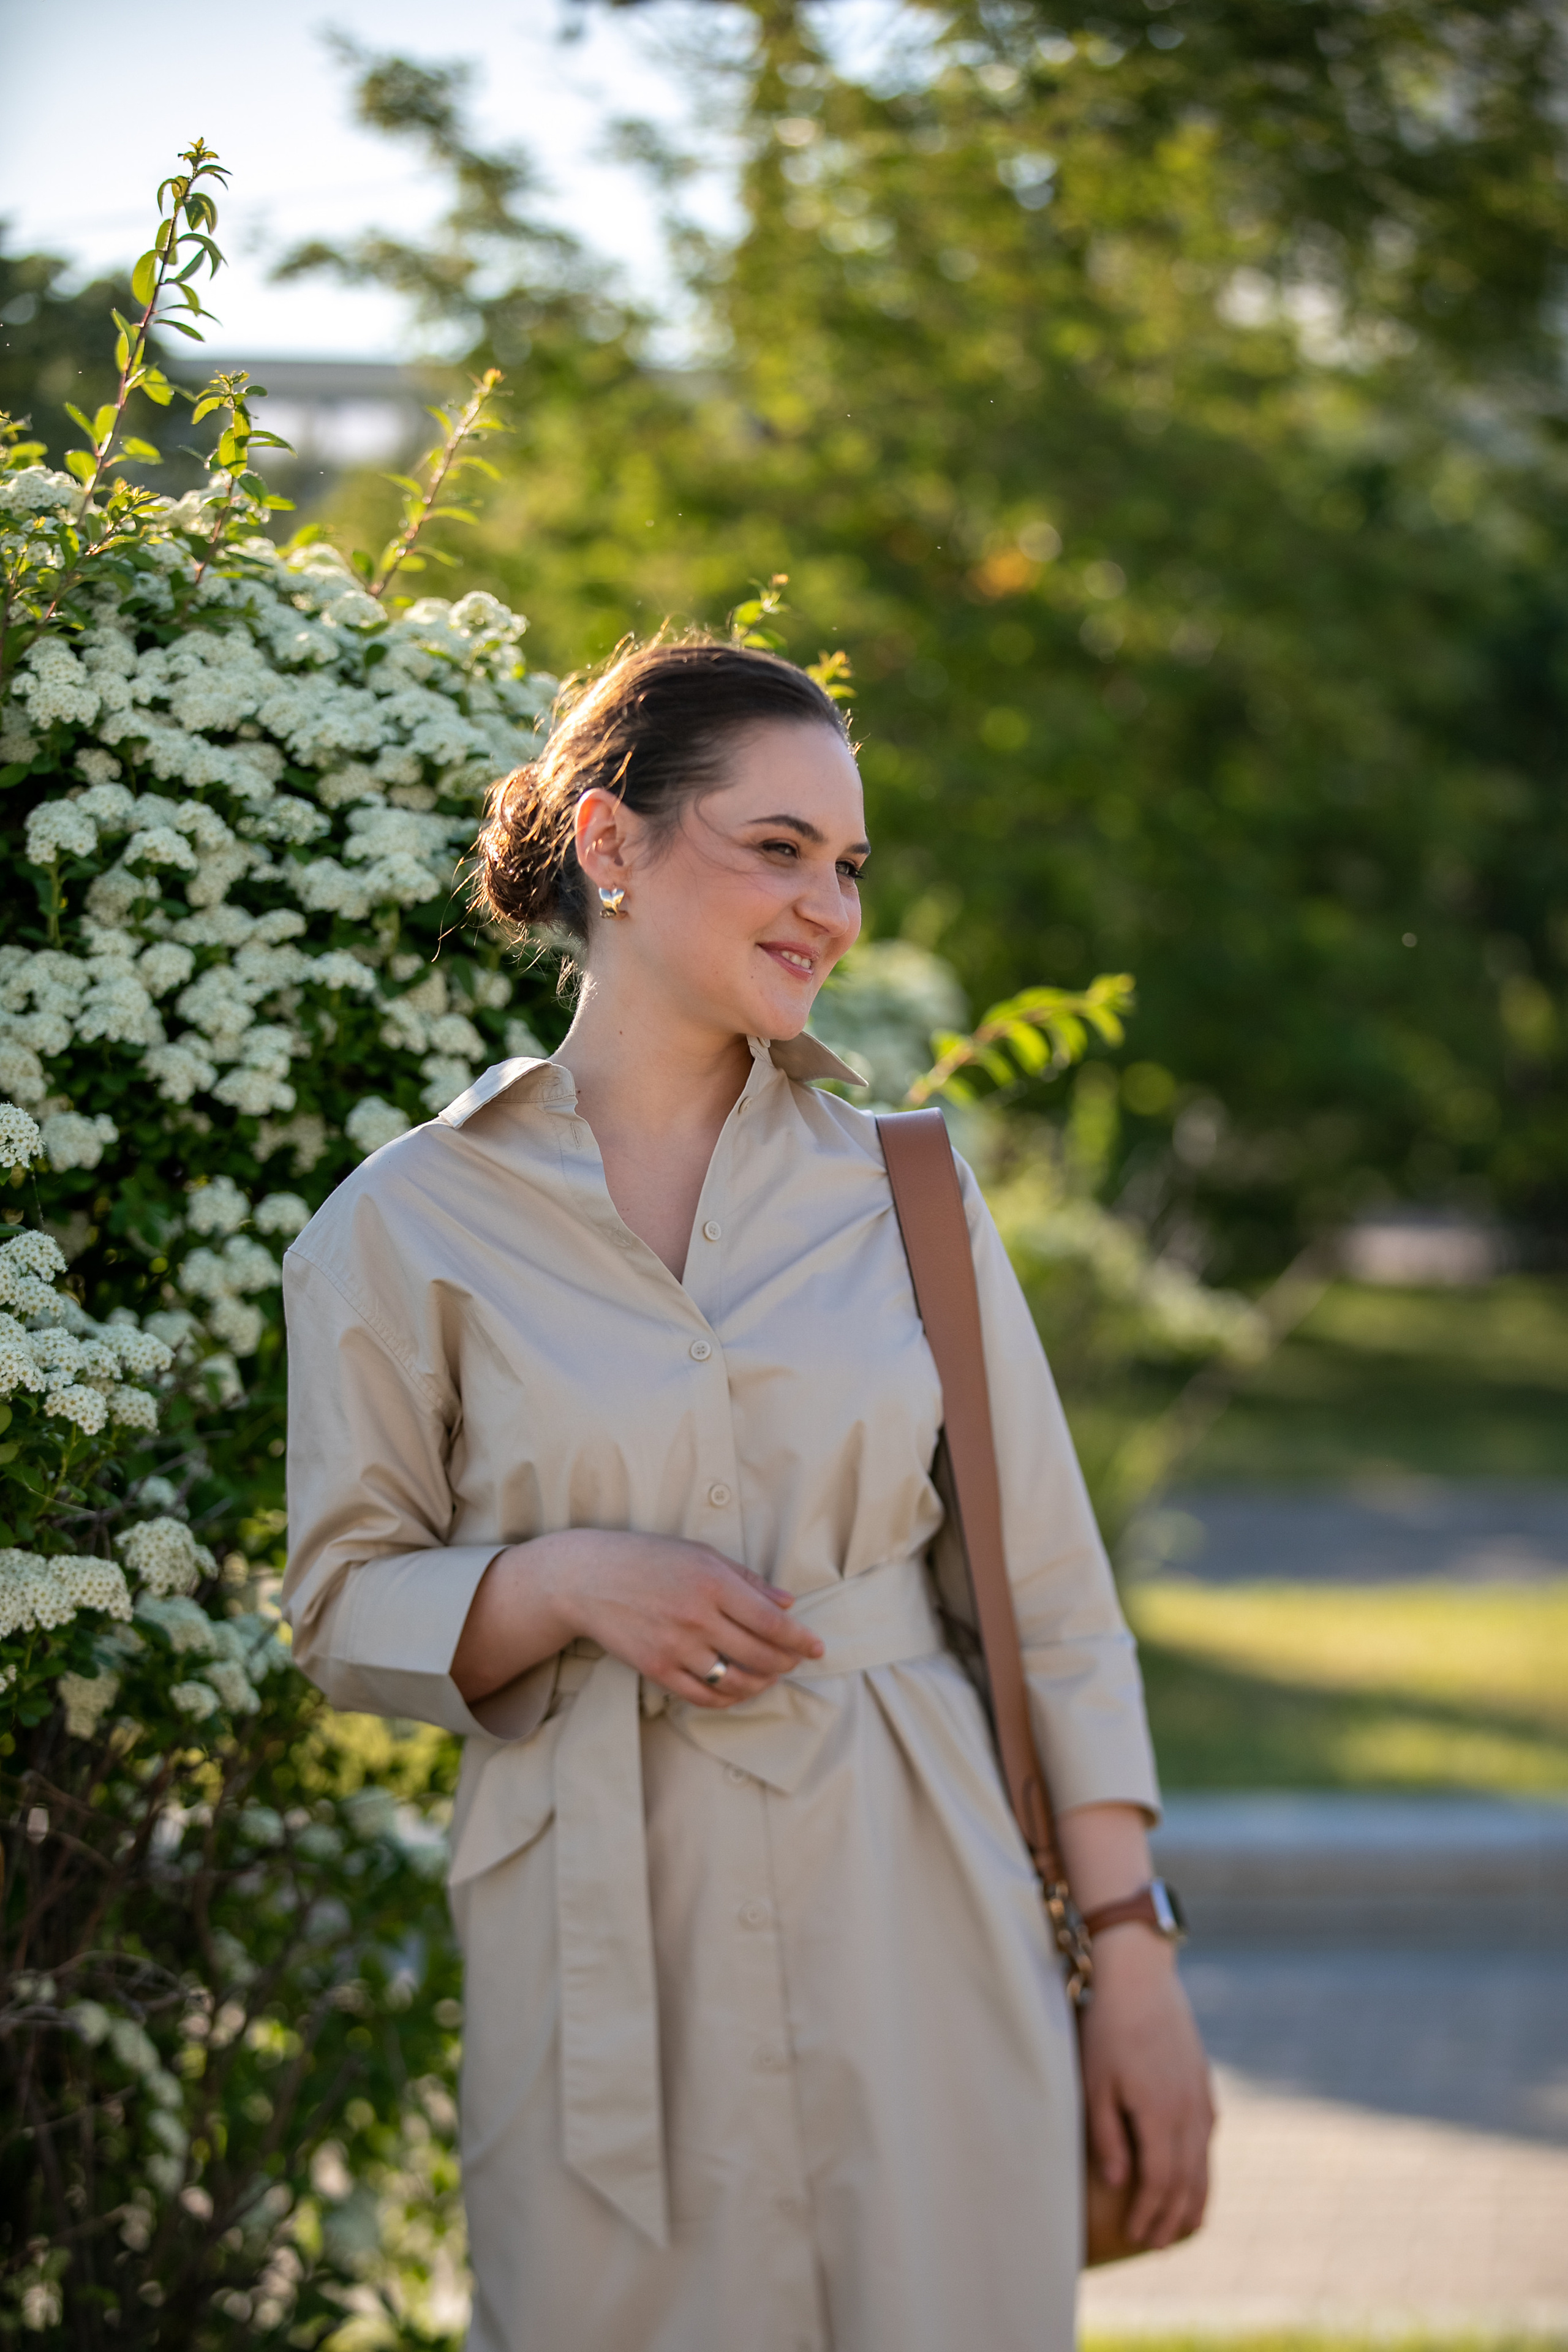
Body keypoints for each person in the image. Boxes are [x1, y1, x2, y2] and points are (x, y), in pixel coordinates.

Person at [281, 637, 1212, 2352]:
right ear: (612, 845)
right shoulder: (402, 1225)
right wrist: (557, 1584)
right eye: (777, 849)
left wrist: (1134, 1961)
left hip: (921, 1894)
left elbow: (1055, 1605)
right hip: (598, 1942)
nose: (829, 909)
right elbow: (339, 1606)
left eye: (847, 865)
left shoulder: (909, 1190)